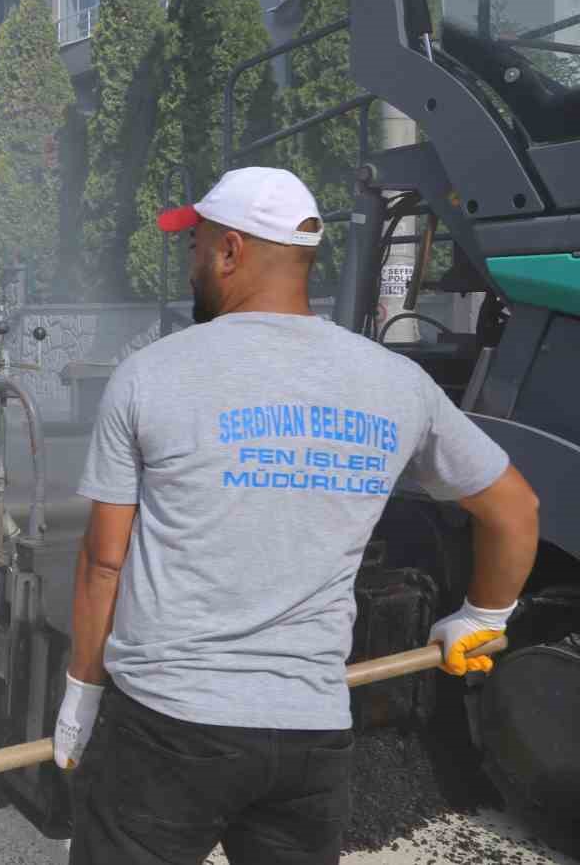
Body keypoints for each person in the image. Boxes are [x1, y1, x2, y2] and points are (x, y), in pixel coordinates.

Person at [55, 167, 539, 865]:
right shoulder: (398, 382)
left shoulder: (151, 373)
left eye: (195, 245)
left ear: (229, 251)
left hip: (167, 729)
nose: (191, 261)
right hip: (309, 738)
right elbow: (516, 509)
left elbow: (105, 561)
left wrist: (82, 691)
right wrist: (484, 617)